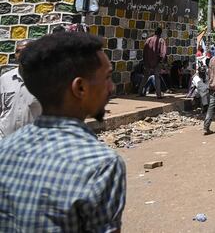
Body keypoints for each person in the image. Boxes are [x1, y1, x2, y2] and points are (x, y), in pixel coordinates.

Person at [0, 32, 126, 230]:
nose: (111, 88)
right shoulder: (100, 163)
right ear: (80, 88)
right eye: (107, 77)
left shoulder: (5, 149)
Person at [0, 40, 41, 140]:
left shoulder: (44, 79)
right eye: (18, 51)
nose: (21, 54)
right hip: (5, 141)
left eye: (26, 51)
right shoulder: (5, 79)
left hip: (33, 142)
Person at [139, 27, 167, 98]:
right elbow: (163, 52)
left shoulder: (148, 40)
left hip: (147, 62)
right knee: (157, 77)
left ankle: (140, 92)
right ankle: (158, 95)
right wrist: (161, 61)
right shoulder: (161, 40)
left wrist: (145, 61)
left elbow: (144, 51)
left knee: (145, 77)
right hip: (157, 62)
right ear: (160, 33)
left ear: (155, 32)